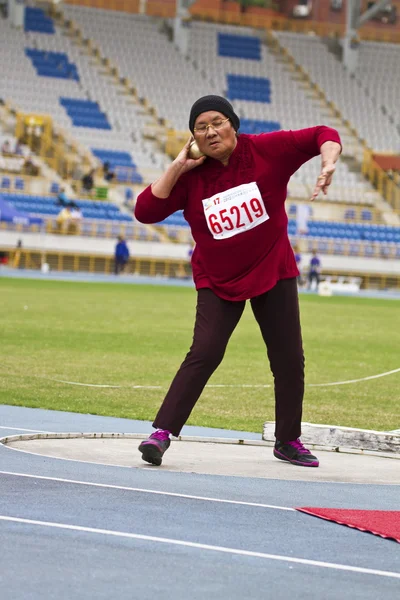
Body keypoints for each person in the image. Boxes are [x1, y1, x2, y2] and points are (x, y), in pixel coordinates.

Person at [134, 95, 341, 469]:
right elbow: (145, 211)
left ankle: (288, 440)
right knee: (205, 351)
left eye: (217, 122)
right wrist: (179, 165)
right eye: (200, 127)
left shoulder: (267, 150)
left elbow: (324, 134)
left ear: (233, 123)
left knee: (289, 358)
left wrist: (328, 162)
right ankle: (162, 434)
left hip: (272, 269)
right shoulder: (191, 176)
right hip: (218, 279)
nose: (210, 131)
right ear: (193, 137)